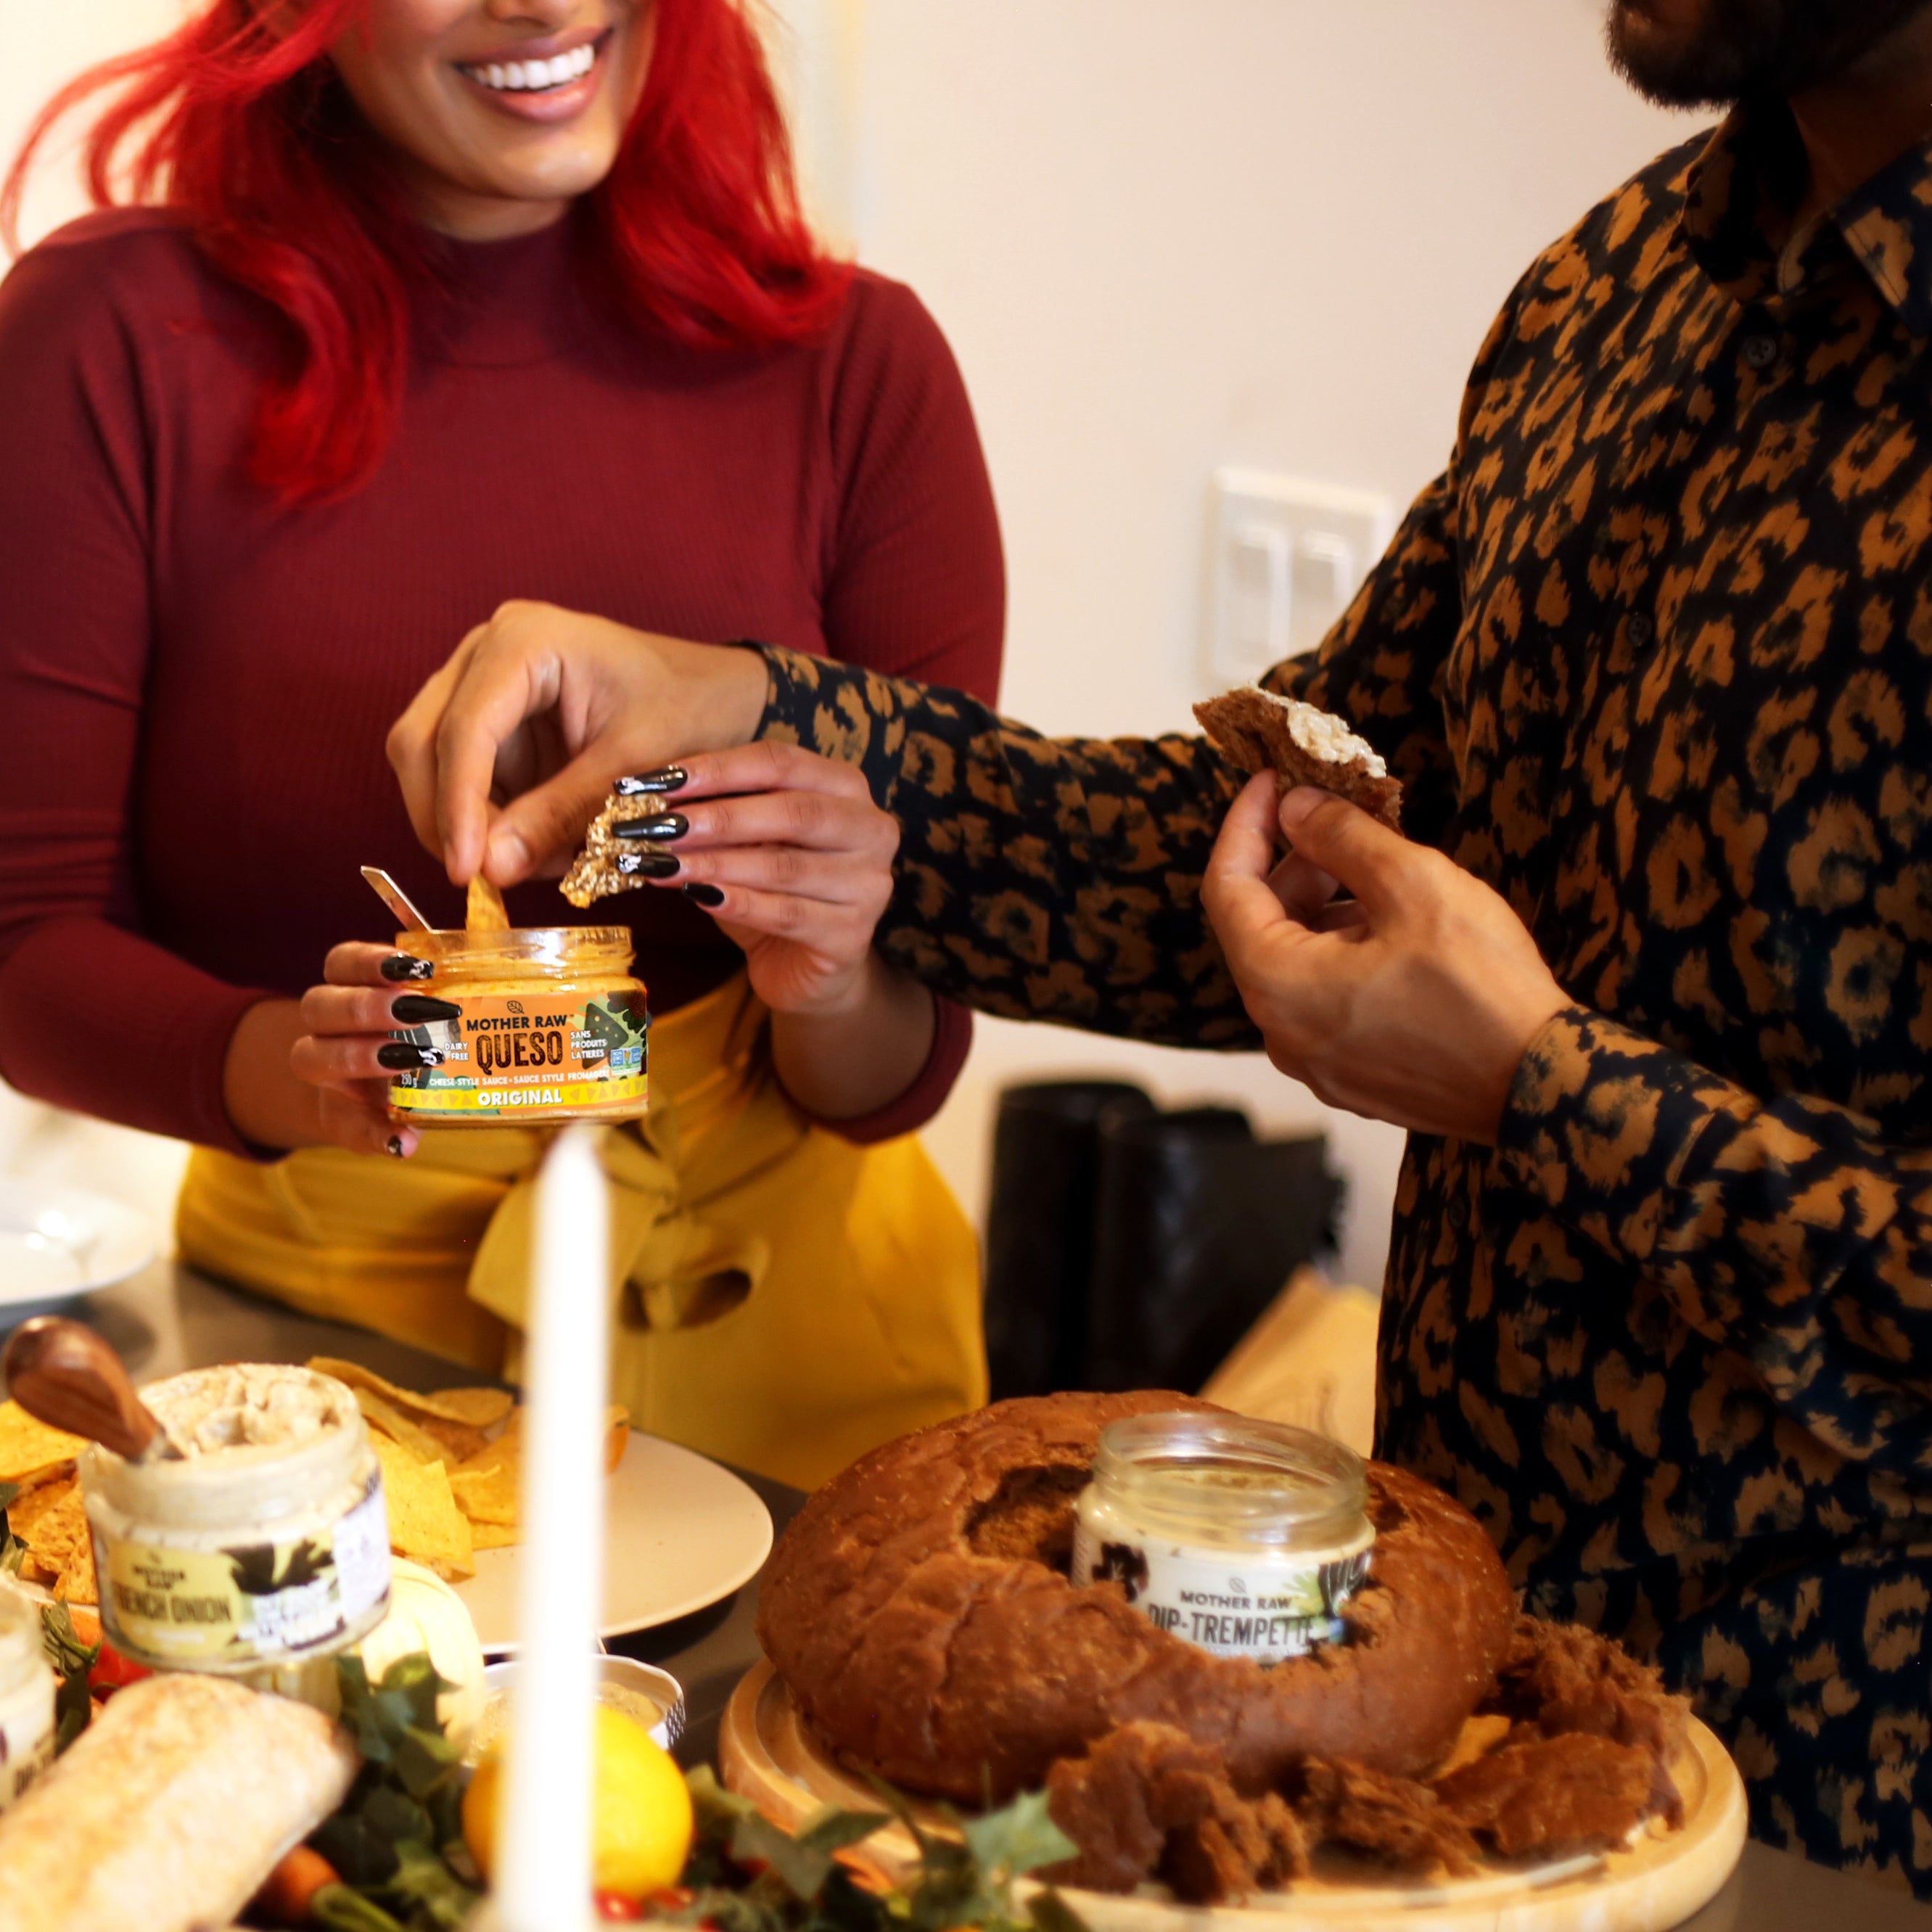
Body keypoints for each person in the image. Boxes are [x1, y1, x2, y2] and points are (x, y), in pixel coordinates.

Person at [390, 0, 1932, 1887]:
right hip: (1451, 1731)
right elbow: (1248, 857)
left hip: (1859, 1802)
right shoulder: (1624, 284)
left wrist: (1554, 1094)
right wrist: (754, 716)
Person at [0, 0, 1006, 1489]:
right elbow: (25, 942)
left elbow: (904, 1065)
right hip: (310, 1380)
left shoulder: (867, 372)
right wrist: (296, 1067)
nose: (544, 6)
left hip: (800, 1371)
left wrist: (835, 975)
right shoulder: (112, 340)